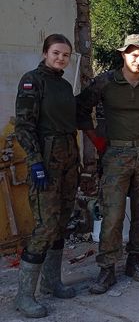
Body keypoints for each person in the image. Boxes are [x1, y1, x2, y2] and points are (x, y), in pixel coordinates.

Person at [76, 34, 139, 294]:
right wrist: (97, 142)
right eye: (133, 55)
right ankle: (107, 268)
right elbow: (81, 110)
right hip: (115, 153)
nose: (138, 60)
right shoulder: (106, 82)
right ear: (123, 55)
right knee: (112, 212)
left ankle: (135, 260)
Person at [13, 34, 77, 318]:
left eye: (65, 55)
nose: (61, 58)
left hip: (68, 161)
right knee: (44, 226)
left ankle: (52, 282)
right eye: (56, 53)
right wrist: (35, 162)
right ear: (45, 53)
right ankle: (25, 296)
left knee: (62, 222)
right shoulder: (32, 81)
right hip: (46, 162)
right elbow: (24, 127)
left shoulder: (63, 85)